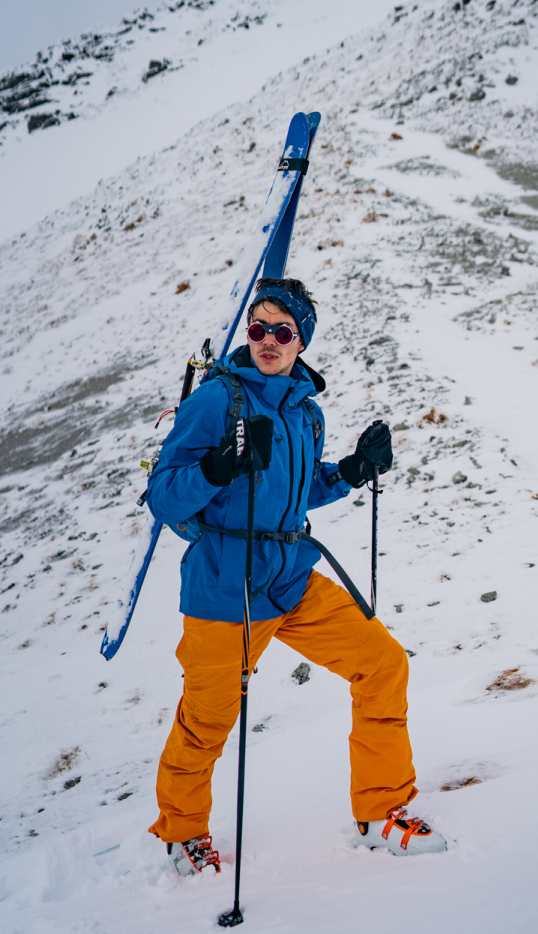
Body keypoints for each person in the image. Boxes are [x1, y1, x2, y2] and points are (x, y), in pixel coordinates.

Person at [145, 277, 446, 875]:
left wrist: (353, 470)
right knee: (206, 722)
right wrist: (218, 467)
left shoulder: (306, 413)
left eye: (282, 332)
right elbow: (163, 496)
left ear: (301, 341)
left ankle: (381, 811)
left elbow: (297, 491)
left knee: (383, 664)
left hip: (291, 580)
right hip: (225, 587)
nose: (267, 341)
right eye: (258, 328)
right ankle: (183, 834)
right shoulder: (216, 401)